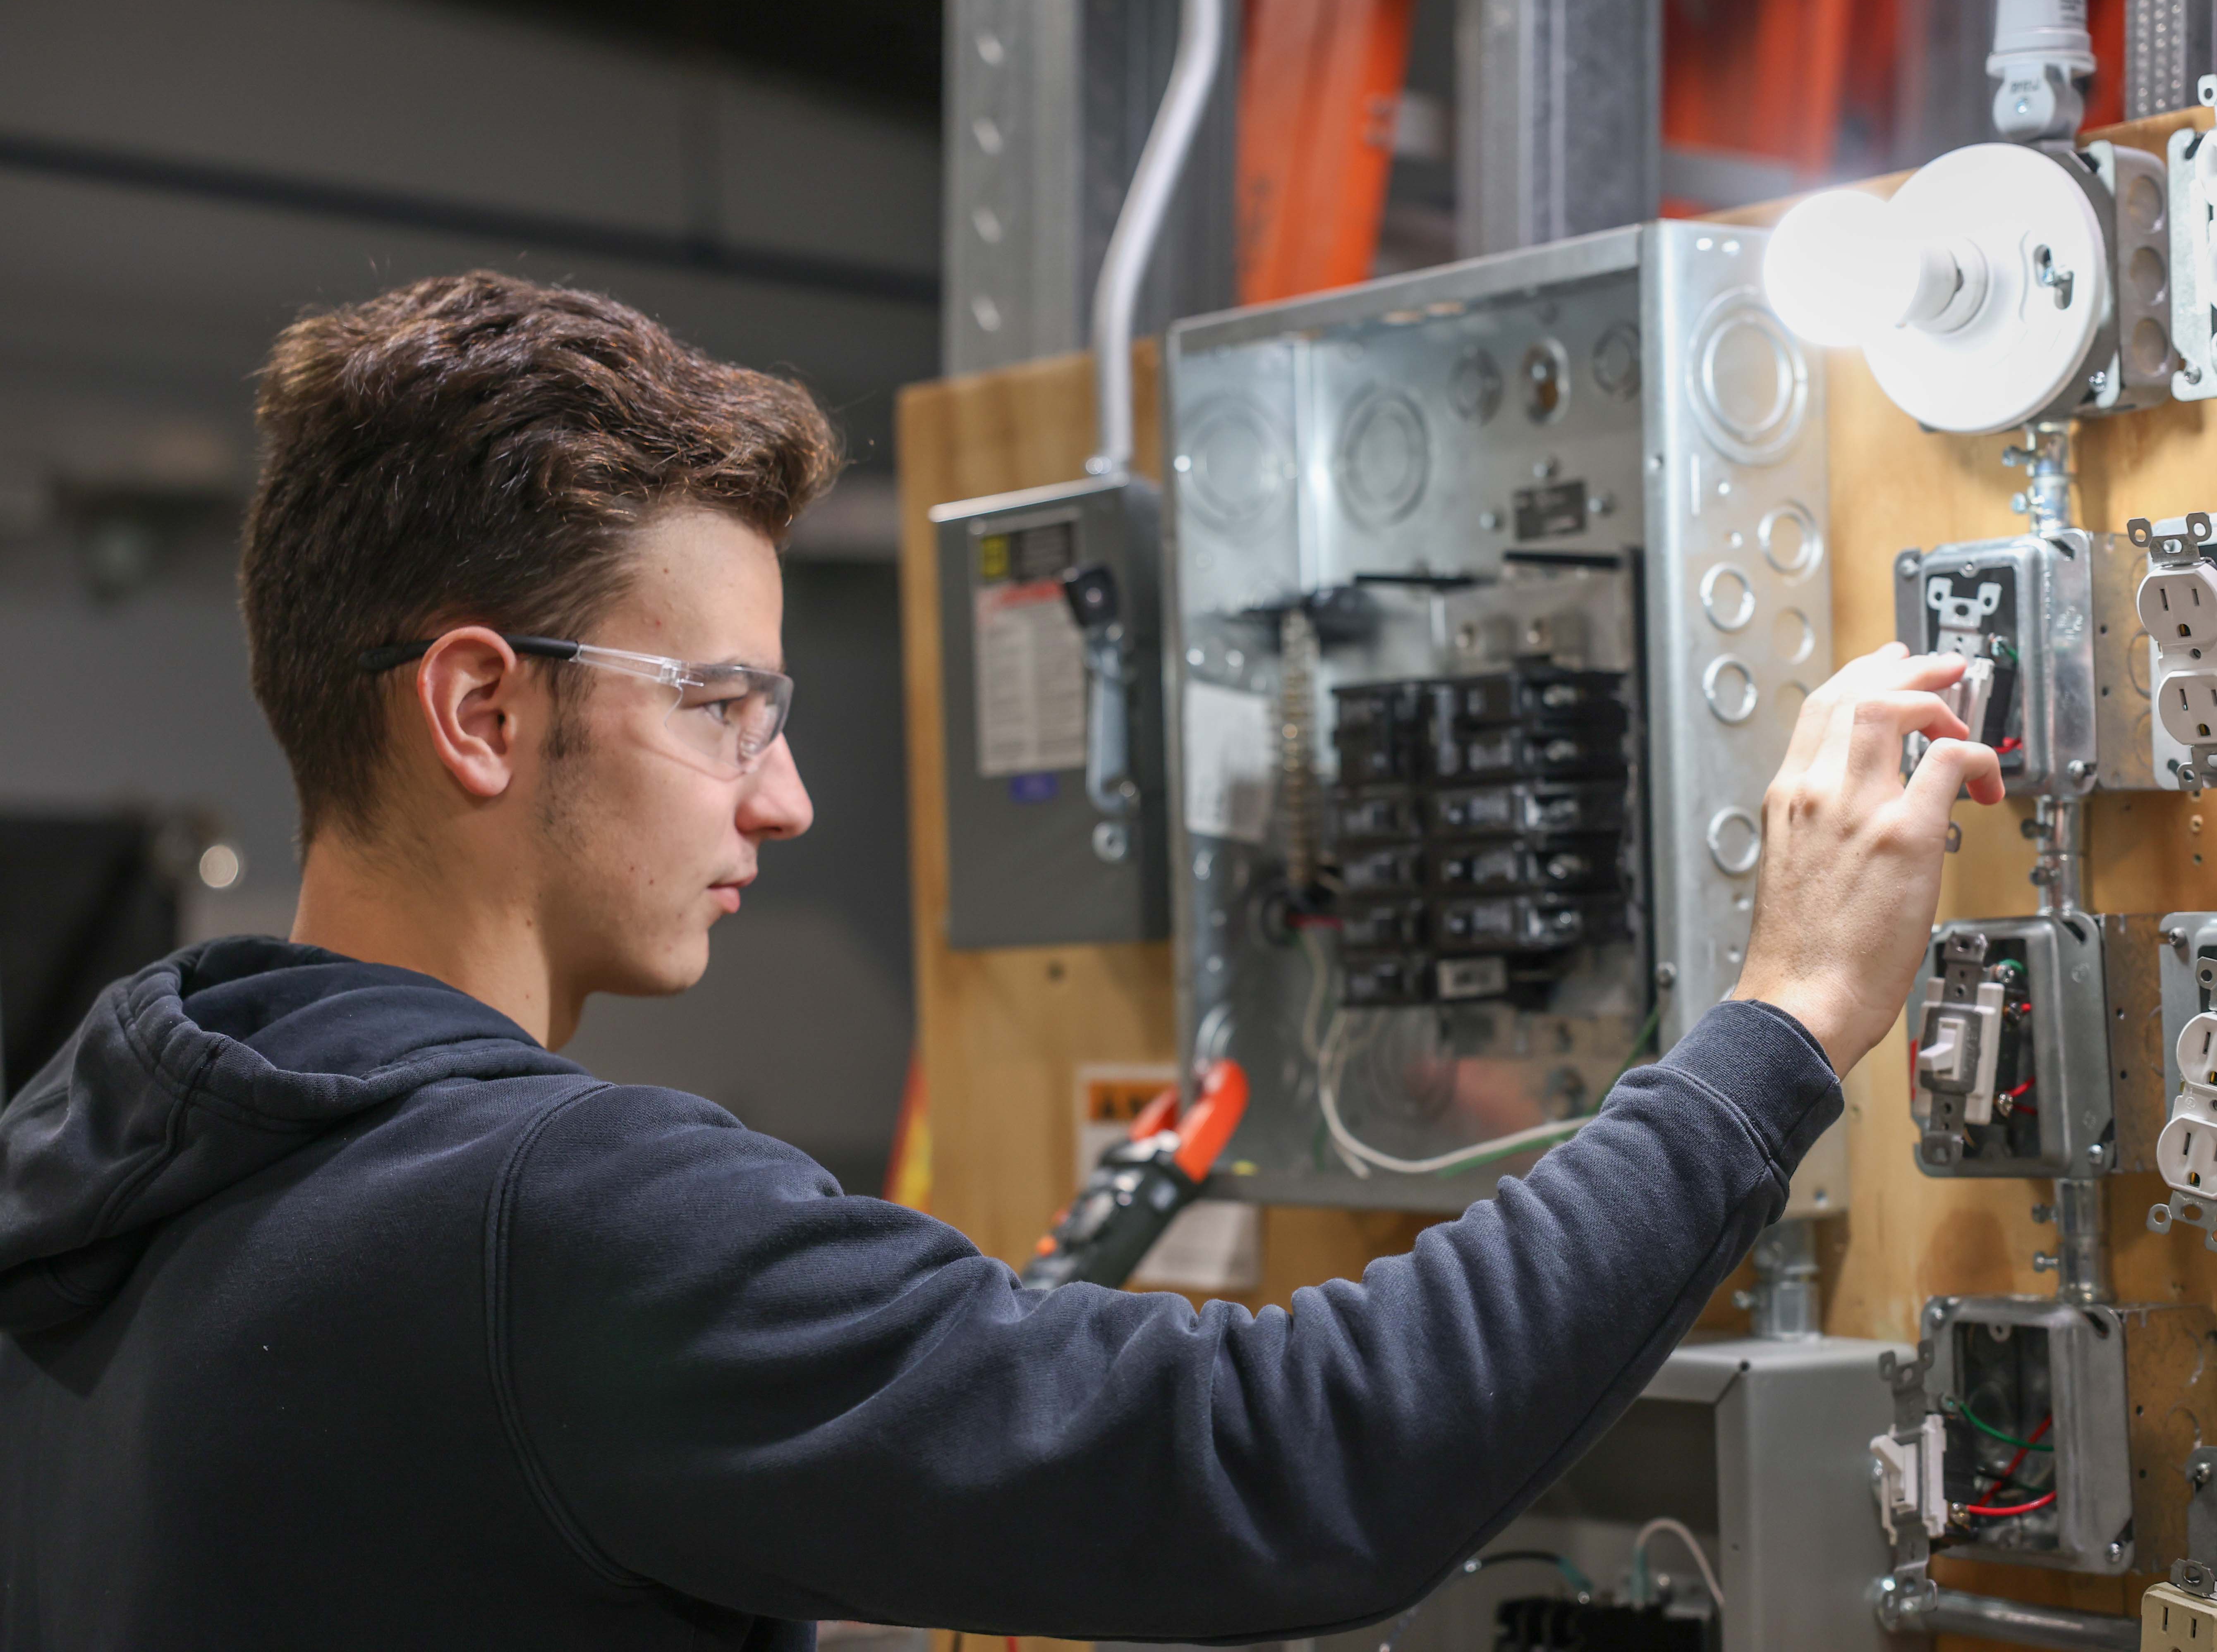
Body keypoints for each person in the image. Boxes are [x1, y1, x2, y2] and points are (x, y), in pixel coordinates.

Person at [0, 272, 2002, 1651]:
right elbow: (1300, 1459)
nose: (781, 800)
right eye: (720, 704)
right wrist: (1788, 1016)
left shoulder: (106, 1169)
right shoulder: (552, 1218)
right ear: (477, 710)